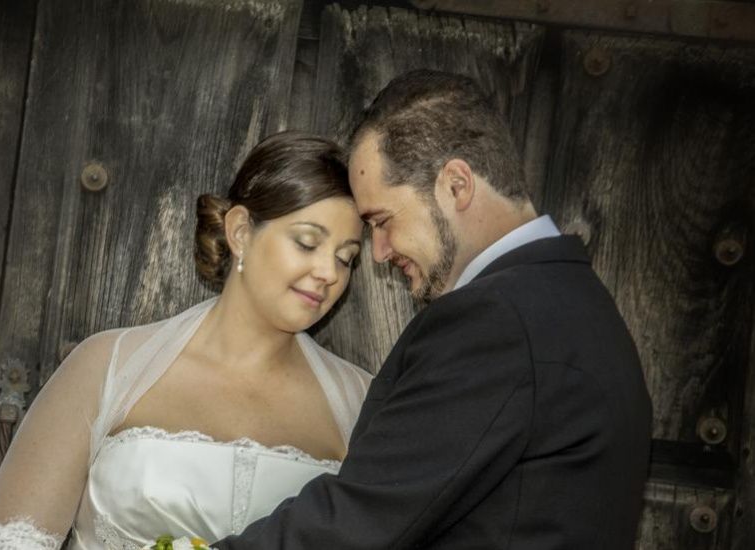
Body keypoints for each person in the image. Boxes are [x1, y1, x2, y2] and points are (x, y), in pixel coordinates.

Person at [214, 70, 653, 549]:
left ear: (456, 185)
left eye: (382, 221)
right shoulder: (579, 302)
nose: (378, 252)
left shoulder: (497, 319)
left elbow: (356, 523)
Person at [0, 131, 372, 549]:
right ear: (239, 231)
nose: (330, 272)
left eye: (347, 258)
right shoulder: (108, 367)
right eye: (308, 242)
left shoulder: (362, 404)